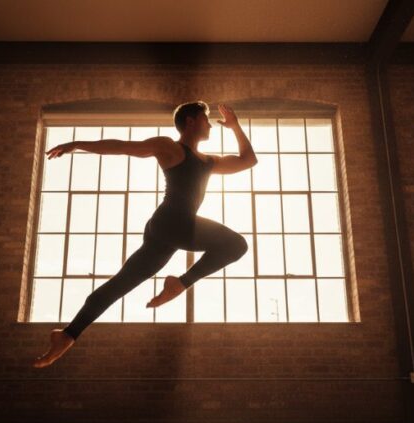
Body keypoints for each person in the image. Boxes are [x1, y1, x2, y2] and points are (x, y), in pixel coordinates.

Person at [33, 101, 256, 368]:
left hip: (166, 230)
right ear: (191, 122)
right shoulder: (170, 148)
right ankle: (180, 283)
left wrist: (235, 127)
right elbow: (121, 146)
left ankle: (68, 334)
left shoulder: (208, 161)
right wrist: (78, 144)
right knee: (236, 244)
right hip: (173, 222)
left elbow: (248, 160)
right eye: (206, 119)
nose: (210, 124)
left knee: (122, 282)